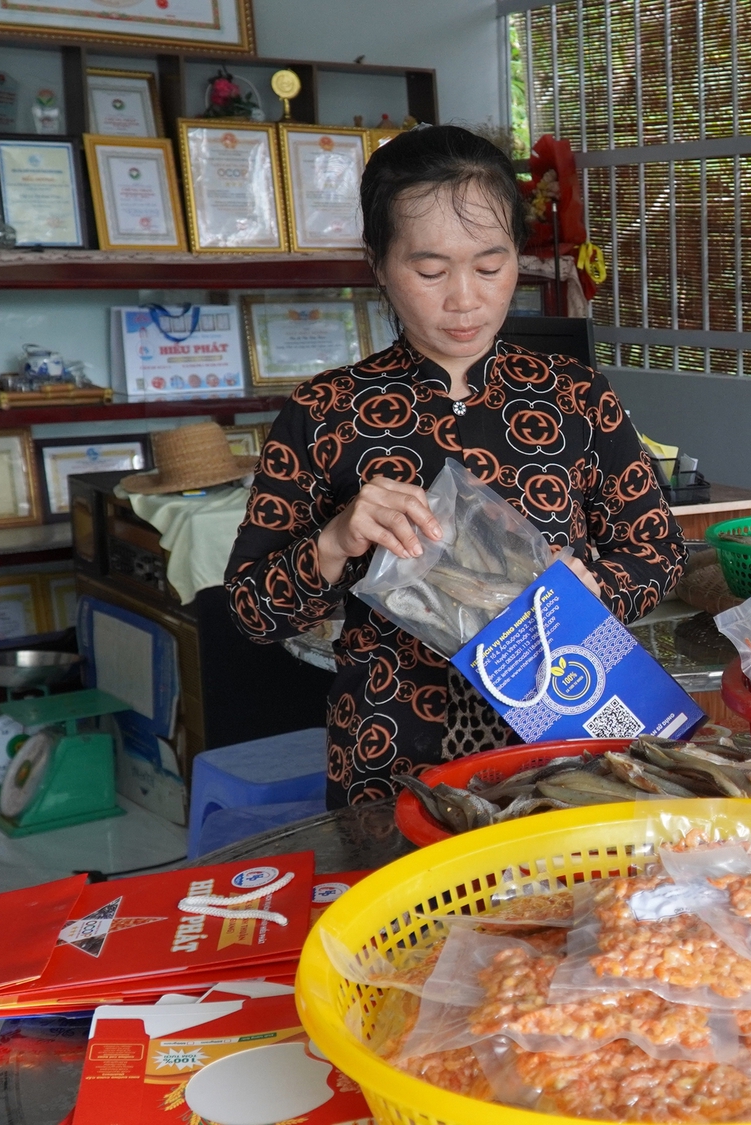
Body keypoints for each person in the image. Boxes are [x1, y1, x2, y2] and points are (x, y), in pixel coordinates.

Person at [225, 125, 686, 807]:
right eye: (431, 270)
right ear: (378, 263)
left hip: (567, 748)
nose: (465, 298)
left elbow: (659, 549)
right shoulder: (323, 411)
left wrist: (596, 590)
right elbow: (251, 611)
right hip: (393, 762)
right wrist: (337, 540)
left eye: (491, 265)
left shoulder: (576, 395)